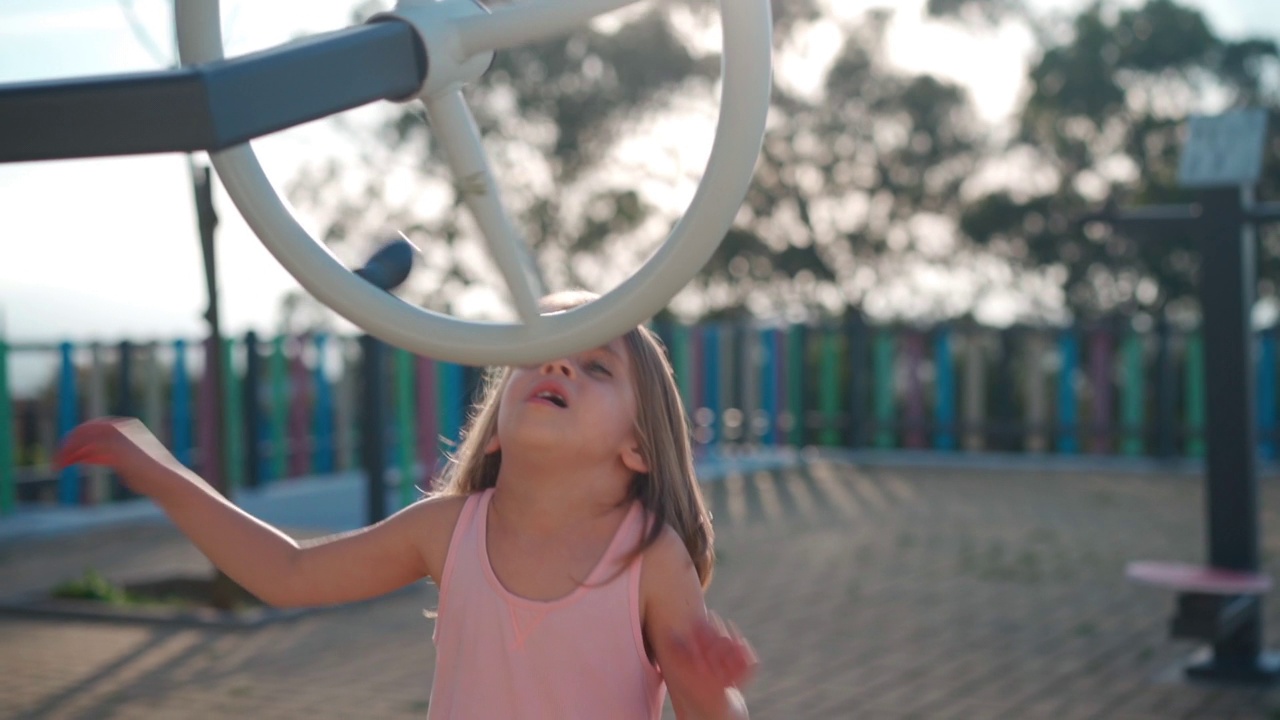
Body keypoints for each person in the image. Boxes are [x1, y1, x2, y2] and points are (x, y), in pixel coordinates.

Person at [55, 290, 757, 719]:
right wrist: (162, 473)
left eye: (596, 364)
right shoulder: (447, 530)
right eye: (539, 352)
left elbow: (708, 716)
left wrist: (708, 693)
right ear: (496, 423)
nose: (558, 362)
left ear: (638, 447)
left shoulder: (648, 557)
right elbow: (288, 573)